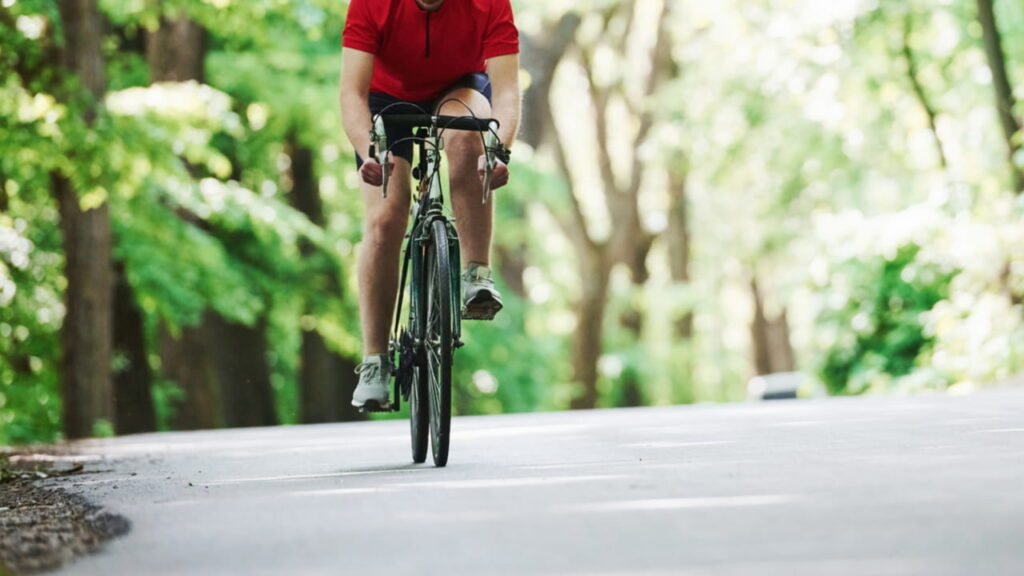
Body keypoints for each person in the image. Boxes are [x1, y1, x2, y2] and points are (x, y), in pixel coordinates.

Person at [339, 0, 521, 410]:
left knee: (465, 139)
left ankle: (476, 275)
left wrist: (499, 151)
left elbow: (507, 89)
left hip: (460, 89)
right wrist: (369, 150)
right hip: (386, 101)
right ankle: (375, 361)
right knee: (386, 217)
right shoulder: (373, 5)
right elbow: (351, 91)